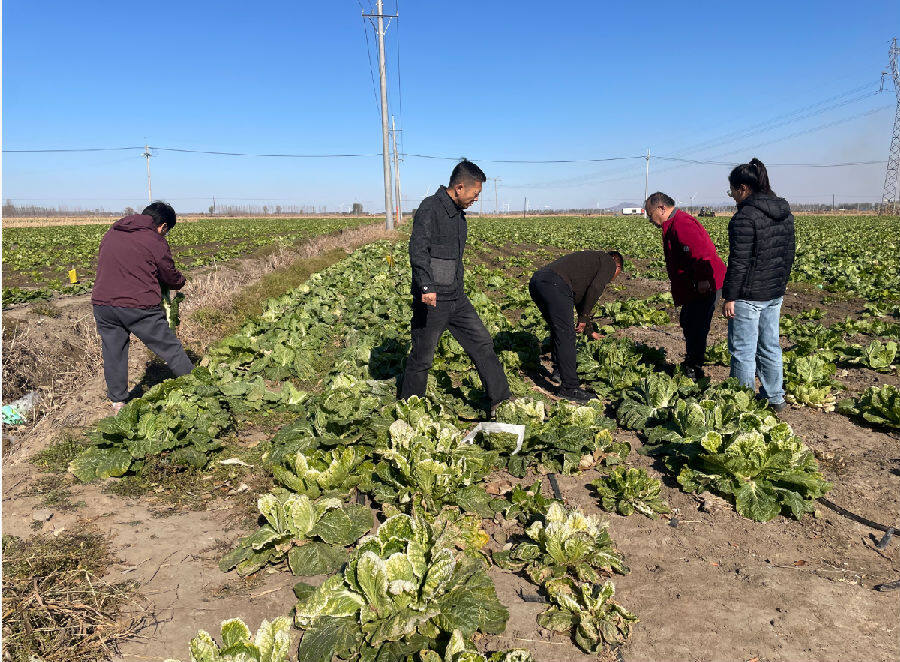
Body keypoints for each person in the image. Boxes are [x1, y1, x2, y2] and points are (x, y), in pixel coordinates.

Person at [400, 160, 512, 417]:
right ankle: (409, 410)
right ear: (460, 187)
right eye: (475, 193)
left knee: (482, 342)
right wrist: (426, 286)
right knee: (423, 357)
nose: (476, 199)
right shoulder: (430, 208)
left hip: (457, 299)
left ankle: (501, 401)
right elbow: (418, 249)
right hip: (432, 299)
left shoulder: (459, 217)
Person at [92, 201, 194, 411]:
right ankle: (196, 386)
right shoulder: (154, 239)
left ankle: (118, 401)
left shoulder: (113, 231)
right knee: (169, 346)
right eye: (166, 231)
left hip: (103, 304)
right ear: (163, 226)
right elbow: (168, 272)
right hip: (138, 305)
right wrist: (179, 282)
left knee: (114, 351)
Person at [721, 158, 795, 412]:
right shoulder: (784, 213)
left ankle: (742, 407)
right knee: (770, 345)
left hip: (749, 295)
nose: (731, 195)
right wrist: (780, 285)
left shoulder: (745, 217)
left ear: (742, 188)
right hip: (774, 293)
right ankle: (775, 398)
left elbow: (739, 261)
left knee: (742, 350)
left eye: (732, 190)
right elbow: (788, 253)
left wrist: (729, 296)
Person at [645, 192, 726, 379]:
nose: (650, 219)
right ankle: (692, 359)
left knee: (697, 324)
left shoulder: (682, 224)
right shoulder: (673, 224)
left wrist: (704, 279)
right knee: (689, 321)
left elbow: (703, 252)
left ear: (661, 208)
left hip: (704, 284)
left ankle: (695, 367)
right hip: (693, 284)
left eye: (650, 214)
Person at [528, 250, 623, 403]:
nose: (612, 278)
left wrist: (589, 331)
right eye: (617, 273)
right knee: (566, 334)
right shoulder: (609, 262)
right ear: (617, 266)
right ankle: (570, 388)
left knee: (559, 330)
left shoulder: (589, 263)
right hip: (554, 284)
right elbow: (596, 288)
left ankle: (559, 371)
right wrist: (584, 317)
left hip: (538, 281)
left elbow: (580, 299)